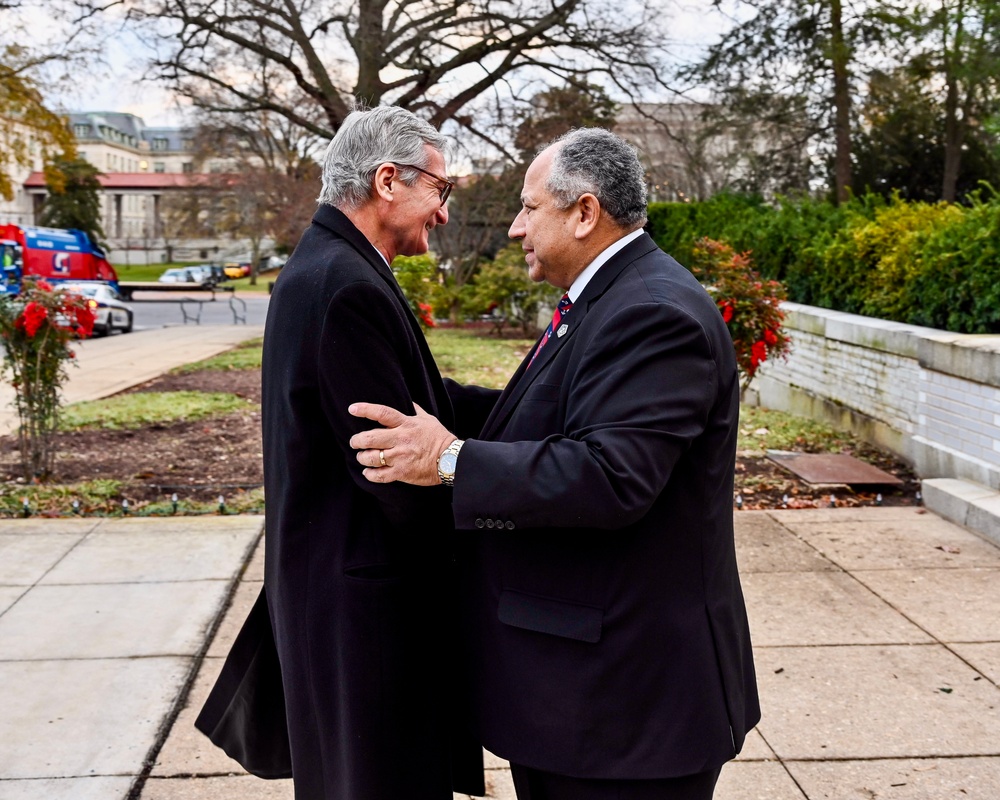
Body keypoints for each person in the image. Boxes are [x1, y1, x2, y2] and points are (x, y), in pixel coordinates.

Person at [348, 128, 761, 800]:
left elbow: (609, 476)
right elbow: (546, 419)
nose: (515, 229)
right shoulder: (611, 298)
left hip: (626, 707)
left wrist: (449, 460)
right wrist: (416, 392)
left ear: (585, 212)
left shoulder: (653, 312)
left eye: (529, 207)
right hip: (585, 695)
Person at [197, 106, 486, 800]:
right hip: (368, 627)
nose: (442, 214)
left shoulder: (332, 268)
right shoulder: (344, 286)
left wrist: (538, 400)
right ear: (388, 180)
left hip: (340, 604)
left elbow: (422, 399)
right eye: (438, 191)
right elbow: (396, 473)